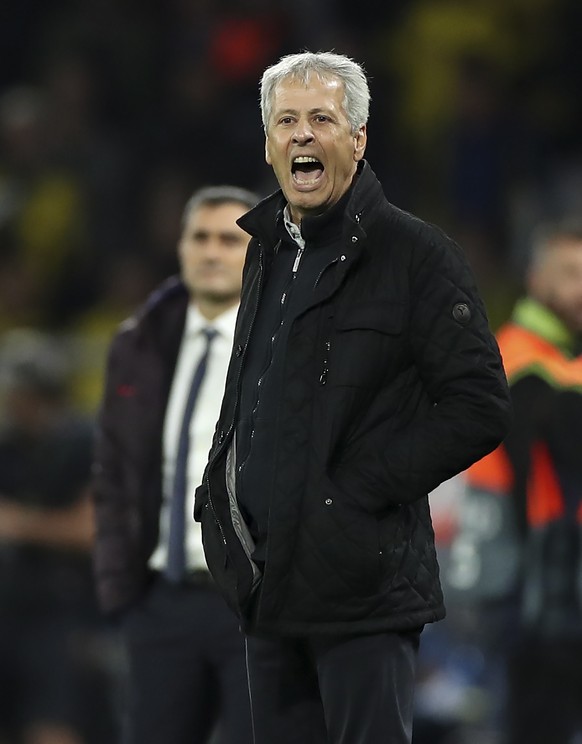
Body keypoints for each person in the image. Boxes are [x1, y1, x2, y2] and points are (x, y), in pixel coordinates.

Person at [193, 51, 511, 744]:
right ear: (269, 143)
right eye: (286, 121)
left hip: (362, 590)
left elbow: (479, 403)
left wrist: (359, 490)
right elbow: (252, 387)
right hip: (268, 583)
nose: (302, 135)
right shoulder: (266, 250)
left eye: (321, 119)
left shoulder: (416, 255)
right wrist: (219, 489)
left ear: (358, 139)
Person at [92, 185, 258, 744]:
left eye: (230, 240)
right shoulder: (140, 343)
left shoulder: (285, 344)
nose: (212, 252)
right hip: (161, 601)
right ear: (180, 247)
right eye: (200, 237)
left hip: (253, 606)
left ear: (259, 251)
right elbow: (115, 473)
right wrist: (122, 590)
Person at [460, 220, 582, 744]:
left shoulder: (561, 360)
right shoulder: (518, 358)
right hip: (524, 588)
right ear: (536, 279)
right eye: (571, 274)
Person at [0, 329, 96, 744]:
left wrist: (19, 523)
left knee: (51, 726)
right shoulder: (9, 444)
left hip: (61, 611)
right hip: (10, 604)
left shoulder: (83, 441)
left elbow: (89, 529)